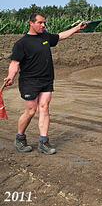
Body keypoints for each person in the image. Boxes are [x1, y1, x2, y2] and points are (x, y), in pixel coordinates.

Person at [4, 14, 87, 155]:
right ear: (31, 23)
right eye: (40, 23)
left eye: (44, 23)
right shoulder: (22, 43)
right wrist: (11, 76)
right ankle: (20, 138)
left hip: (46, 80)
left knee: (45, 108)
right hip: (29, 81)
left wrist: (77, 28)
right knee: (30, 111)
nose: (43, 25)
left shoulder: (45, 37)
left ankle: (44, 142)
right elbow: (15, 63)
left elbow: (61, 36)